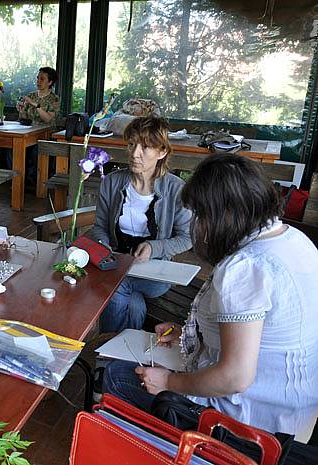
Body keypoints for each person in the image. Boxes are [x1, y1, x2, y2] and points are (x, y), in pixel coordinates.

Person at [103, 154, 318, 440]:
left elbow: (235, 377)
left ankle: (162, 449)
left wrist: (169, 381)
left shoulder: (244, 268)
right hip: (296, 411)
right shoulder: (295, 240)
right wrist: (191, 335)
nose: (198, 224)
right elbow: (263, 335)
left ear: (223, 214)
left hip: (254, 426)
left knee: (116, 375)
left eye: (200, 215)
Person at [89, 116, 192, 333]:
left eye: (145, 147)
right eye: (131, 144)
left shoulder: (176, 189)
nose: (135, 153)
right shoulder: (112, 182)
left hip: (155, 273)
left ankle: (107, 345)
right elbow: (99, 227)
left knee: (116, 287)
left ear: (162, 152)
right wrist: (104, 248)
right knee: (132, 302)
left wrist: (154, 248)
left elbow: (187, 237)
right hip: (115, 263)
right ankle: (126, 347)